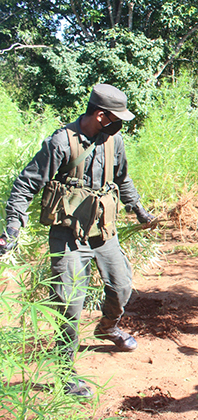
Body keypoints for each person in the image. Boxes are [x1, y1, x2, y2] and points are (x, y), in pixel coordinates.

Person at [0, 84, 156, 398]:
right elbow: (25, 185)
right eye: (116, 118)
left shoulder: (115, 141)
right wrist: (11, 232)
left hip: (103, 233)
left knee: (122, 286)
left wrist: (140, 211)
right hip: (68, 235)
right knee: (69, 304)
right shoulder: (61, 143)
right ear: (100, 115)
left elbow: (122, 179)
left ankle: (108, 326)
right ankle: (64, 373)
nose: (120, 124)